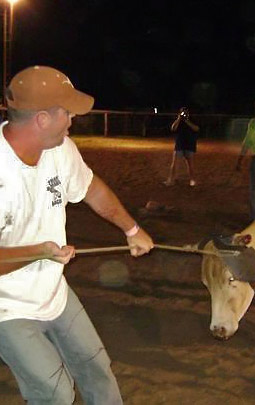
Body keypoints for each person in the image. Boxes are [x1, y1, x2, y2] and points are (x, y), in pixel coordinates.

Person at [0, 65, 154, 403]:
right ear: (41, 119)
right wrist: (39, 251)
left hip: (55, 293)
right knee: (54, 394)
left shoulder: (60, 149)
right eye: (66, 112)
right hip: (7, 308)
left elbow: (91, 189)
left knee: (97, 370)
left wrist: (132, 228)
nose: (72, 119)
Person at [164, 106, 200, 187]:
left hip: (189, 145)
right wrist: (178, 119)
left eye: (186, 112)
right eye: (183, 112)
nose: (184, 114)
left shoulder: (192, 120)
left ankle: (192, 180)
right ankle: (171, 179)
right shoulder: (178, 121)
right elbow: (173, 128)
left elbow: (196, 128)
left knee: (190, 164)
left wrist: (187, 121)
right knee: (174, 163)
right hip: (179, 144)